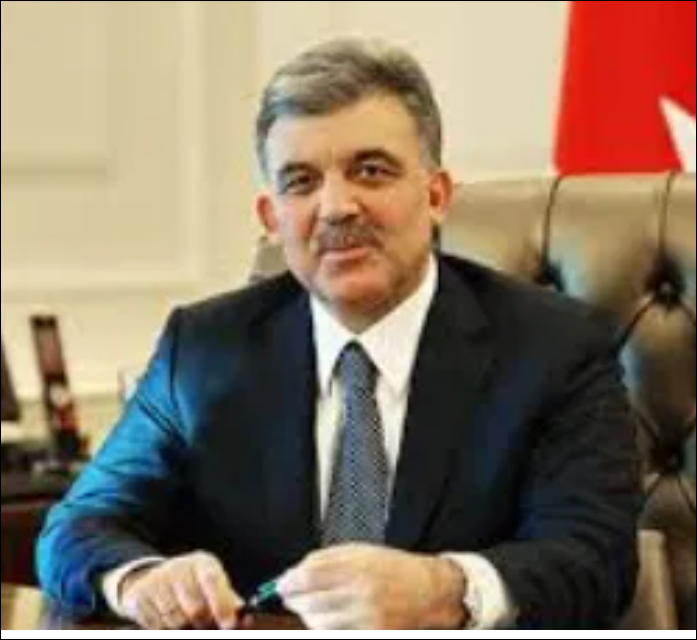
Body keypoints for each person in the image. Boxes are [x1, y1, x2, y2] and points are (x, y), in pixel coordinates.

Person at [36, 37, 641, 630]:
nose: (335, 208)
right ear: (272, 219)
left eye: (370, 171)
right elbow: (78, 526)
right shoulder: (203, 350)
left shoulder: (555, 347)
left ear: (436, 195)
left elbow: (595, 559)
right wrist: (142, 581)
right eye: (301, 182)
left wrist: (446, 590)